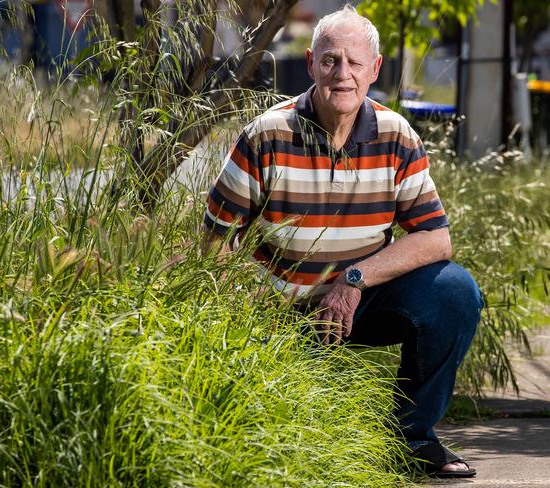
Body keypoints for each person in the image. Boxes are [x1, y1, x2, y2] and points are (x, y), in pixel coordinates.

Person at [202, 4, 482, 479]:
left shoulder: (397, 135)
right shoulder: (267, 134)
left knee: (455, 292)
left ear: (375, 69)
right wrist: (255, 300)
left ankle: (413, 439)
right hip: (278, 314)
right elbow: (212, 244)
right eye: (331, 60)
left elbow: (435, 238)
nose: (342, 74)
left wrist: (353, 281)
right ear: (311, 62)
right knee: (291, 442)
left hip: (359, 304)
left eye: (355, 63)